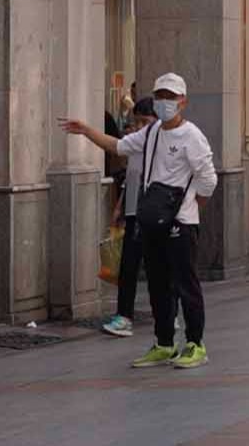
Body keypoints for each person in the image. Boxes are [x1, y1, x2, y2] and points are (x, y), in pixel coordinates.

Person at [63, 72, 218, 370]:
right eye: (160, 96)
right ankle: (163, 343)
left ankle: (196, 344)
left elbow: (208, 179)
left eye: (170, 98)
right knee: (158, 284)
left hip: (180, 223)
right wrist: (86, 130)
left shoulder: (192, 136)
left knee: (186, 284)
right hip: (153, 221)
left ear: (182, 102)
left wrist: (192, 207)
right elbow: (118, 146)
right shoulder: (151, 133)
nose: (164, 103)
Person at [100, 97, 156, 335]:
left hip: (154, 214)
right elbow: (130, 177)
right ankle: (124, 316)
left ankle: (168, 313)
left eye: (145, 121)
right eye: (137, 122)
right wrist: (119, 207)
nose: (139, 127)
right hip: (133, 212)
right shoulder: (135, 143)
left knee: (158, 268)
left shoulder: (160, 145)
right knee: (128, 266)